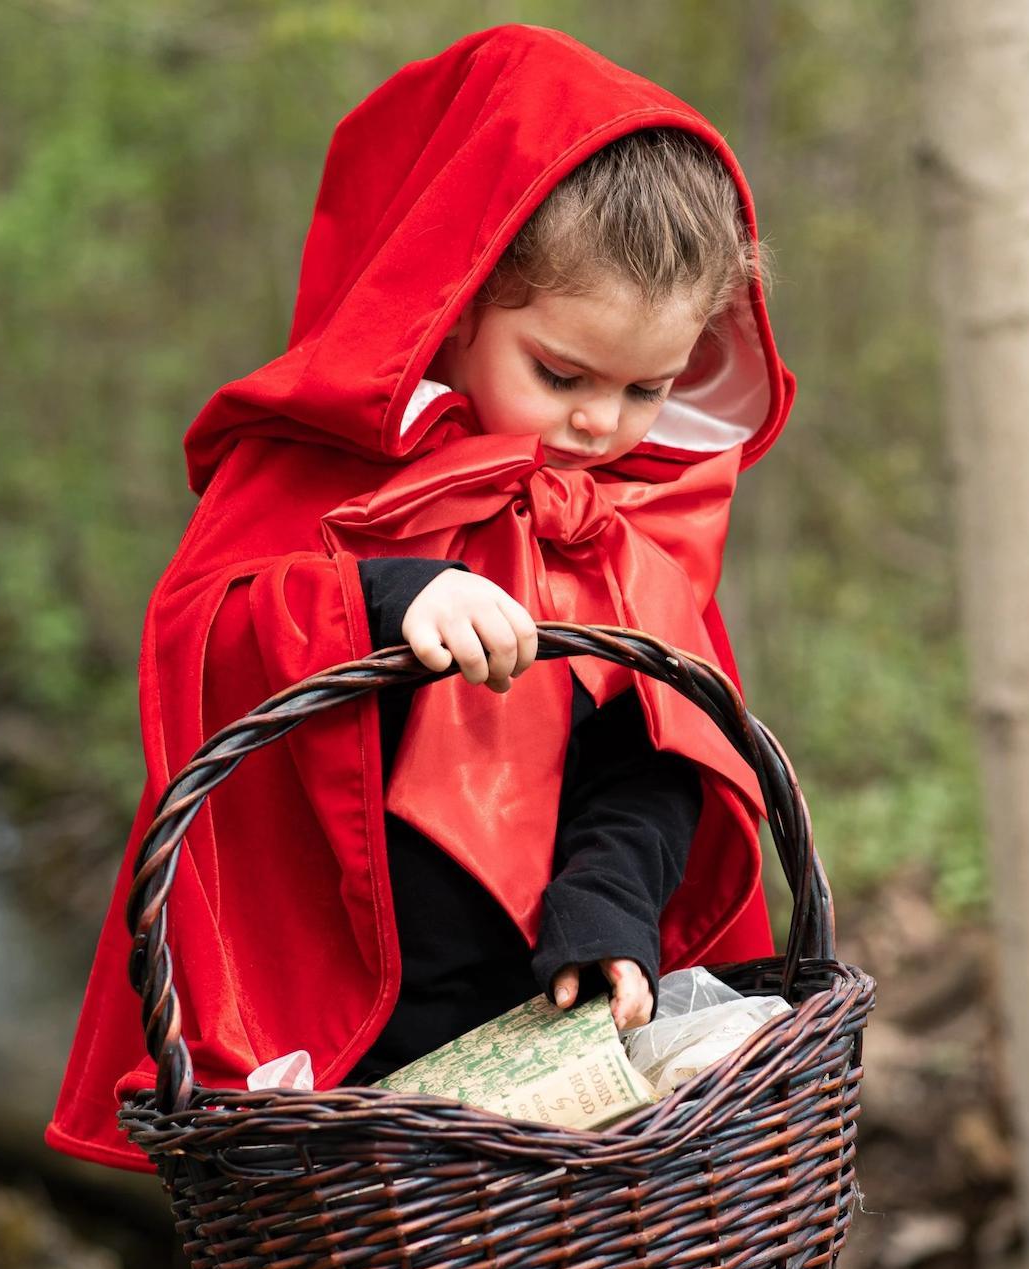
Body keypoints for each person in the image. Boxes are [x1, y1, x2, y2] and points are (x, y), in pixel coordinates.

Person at [45, 24, 795, 1173]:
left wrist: (609, 917)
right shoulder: (322, 466)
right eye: (561, 374)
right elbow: (204, 639)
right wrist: (385, 598)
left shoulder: (626, 524)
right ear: (454, 306)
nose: (601, 425)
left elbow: (654, 762)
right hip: (347, 1064)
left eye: (650, 387)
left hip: (552, 1053)